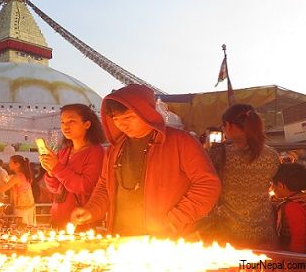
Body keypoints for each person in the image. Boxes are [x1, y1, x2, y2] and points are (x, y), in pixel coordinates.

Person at [70, 84, 221, 237]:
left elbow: (207, 185)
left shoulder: (181, 141)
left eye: (128, 117)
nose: (122, 124)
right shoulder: (115, 149)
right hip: (121, 237)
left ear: (146, 113)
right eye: (116, 119)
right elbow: (105, 185)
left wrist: (175, 219)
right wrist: (91, 210)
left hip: (167, 240)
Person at [206, 104, 279, 249]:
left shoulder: (218, 153)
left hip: (229, 233)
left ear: (229, 125)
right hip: (263, 230)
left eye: (223, 126)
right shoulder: (272, 155)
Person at [39, 103, 105, 229]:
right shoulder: (64, 152)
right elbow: (55, 189)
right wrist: (50, 172)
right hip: (57, 219)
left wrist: (57, 168)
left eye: (71, 121)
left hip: (80, 221)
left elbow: (85, 186)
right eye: (62, 122)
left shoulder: (96, 152)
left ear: (87, 124)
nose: (65, 126)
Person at [0, 155, 36, 225]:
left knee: (21, 228)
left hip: (21, 208)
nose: (9, 164)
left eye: (10, 162)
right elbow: (6, 183)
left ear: (17, 164)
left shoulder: (17, 177)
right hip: (29, 206)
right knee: (29, 228)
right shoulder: (25, 175)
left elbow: (2, 189)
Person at [271, 163, 306, 253]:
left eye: (272, 185)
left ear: (280, 185)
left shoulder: (292, 207)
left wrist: (292, 261)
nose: (272, 189)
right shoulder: (300, 201)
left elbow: (299, 239)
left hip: (293, 259)